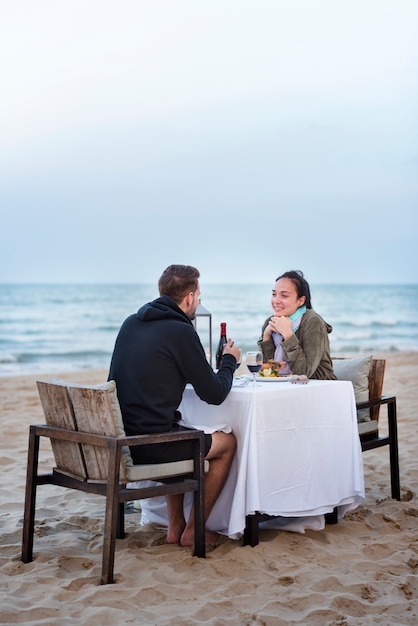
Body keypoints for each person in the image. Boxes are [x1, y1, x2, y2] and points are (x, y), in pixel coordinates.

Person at [108, 264, 241, 548]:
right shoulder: (181, 331)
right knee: (226, 443)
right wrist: (230, 360)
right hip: (151, 447)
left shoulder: (130, 322)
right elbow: (215, 393)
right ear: (190, 297)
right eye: (199, 297)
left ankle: (176, 526)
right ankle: (195, 529)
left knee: (180, 427)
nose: (198, 302)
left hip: (123, 440)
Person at [257, 270, 336, 380]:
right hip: (285, 386)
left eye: (284, 295)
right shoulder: (270, 322)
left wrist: (288, 335)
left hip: (318, 387)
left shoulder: (313, 322)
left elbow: (304, 373)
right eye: (274, 294)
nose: (276, 301)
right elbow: (269, 372)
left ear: (301, 300)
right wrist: (266, 337)